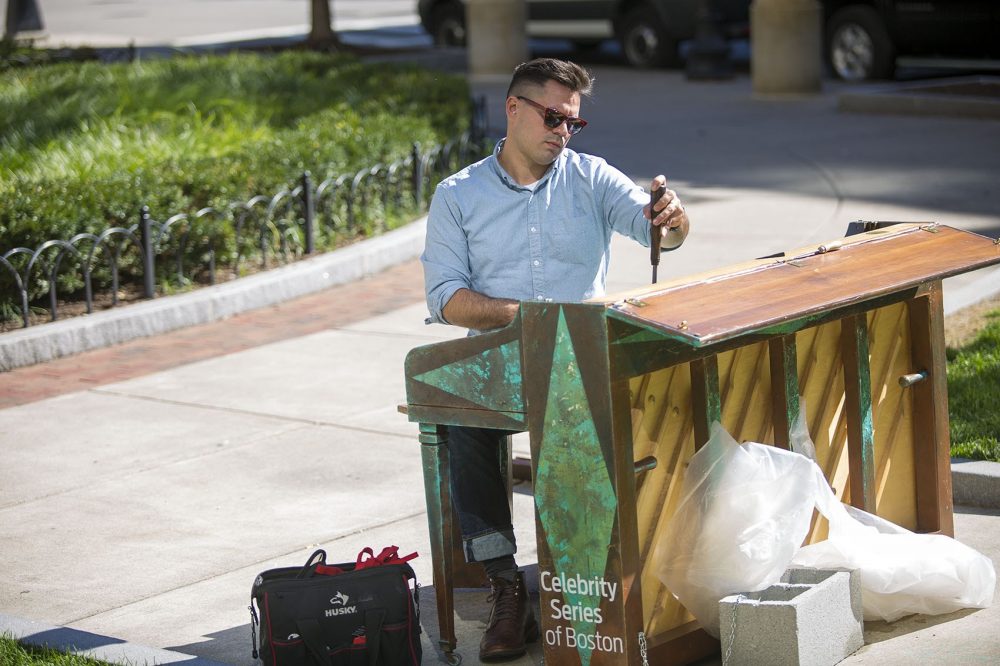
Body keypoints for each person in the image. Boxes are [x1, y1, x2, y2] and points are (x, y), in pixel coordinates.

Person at [420, 57, 690, 661]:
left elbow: (658, 230)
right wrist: (527, 319)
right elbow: (446, 299)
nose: (563, 133)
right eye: (552, 117)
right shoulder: (458, 195)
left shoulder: (591, 178)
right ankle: (505, 583)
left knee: (606, 413)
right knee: (463, 416)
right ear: (513, 109)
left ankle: (592, 578)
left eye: (573, 122)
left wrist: (670, 220)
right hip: (498, 357)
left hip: (581, 356)